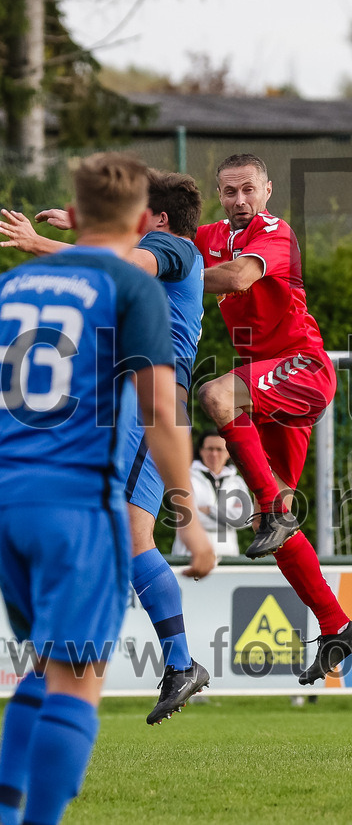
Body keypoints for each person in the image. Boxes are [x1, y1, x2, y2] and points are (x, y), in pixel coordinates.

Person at [0, 153, 213, 825]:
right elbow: (157, 401)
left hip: (18, 490)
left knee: (46, 667)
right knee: (72, 674)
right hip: (92, 469)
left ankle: (179, 661)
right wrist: (191, 515)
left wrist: (49, 242)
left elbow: (121, 261)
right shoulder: (124, 281)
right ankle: (181, 660)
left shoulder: (22, 285)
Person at [195, 153, 352, 684]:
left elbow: (238, 277)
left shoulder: (275, 232)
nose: (240, 200)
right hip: (267, 387)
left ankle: (273, 509)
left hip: (302, 369)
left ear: (267, 190)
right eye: (230, 191)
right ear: (219, 195)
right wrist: (69, 227)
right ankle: (338, 626)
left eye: (249, 189)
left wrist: (169, 278)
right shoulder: (209, 236)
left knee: (215, 396)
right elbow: (135, 241)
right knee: (278, 522)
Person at [173, 431, 253, 558]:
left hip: (228, 557)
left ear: (228, 453)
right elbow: (186, 517)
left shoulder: (237, 482)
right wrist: (229, 520)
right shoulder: (186, 478)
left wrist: (210, 510)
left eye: (219, 449)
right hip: (189, 556)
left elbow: (246, 518)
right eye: (210, 449)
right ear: (201, 451)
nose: (214, 454)